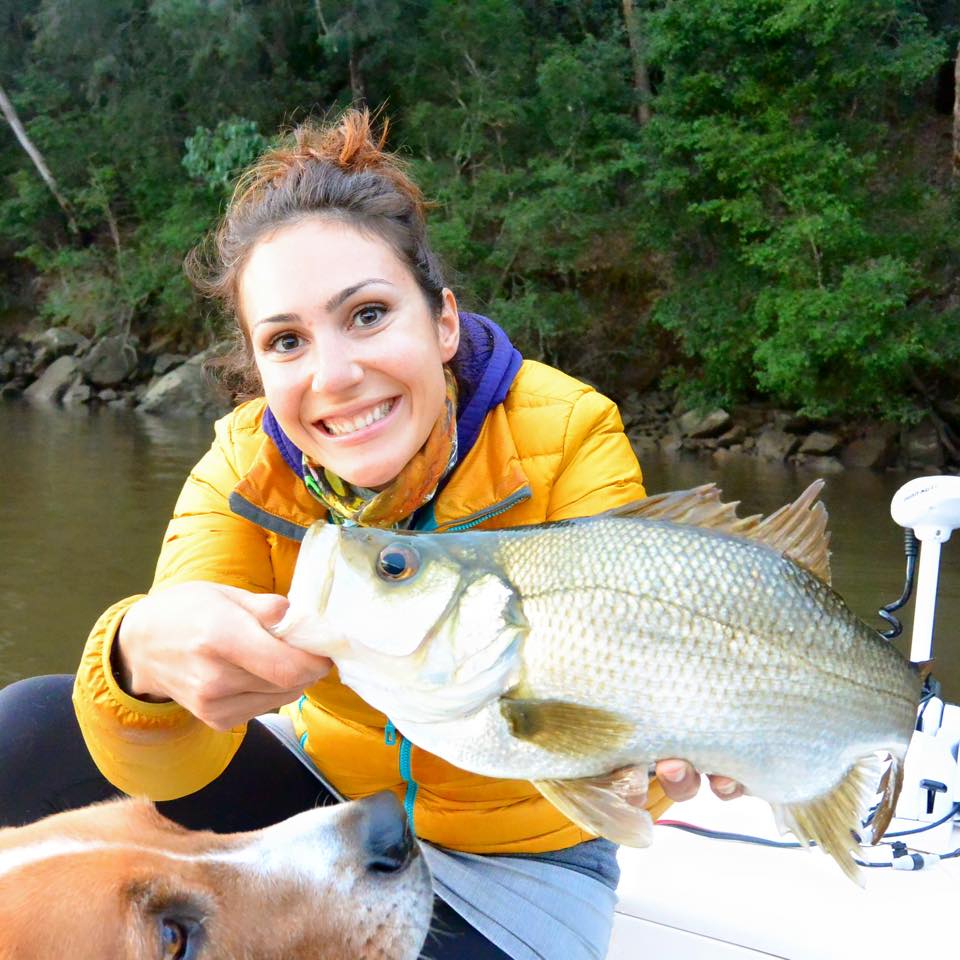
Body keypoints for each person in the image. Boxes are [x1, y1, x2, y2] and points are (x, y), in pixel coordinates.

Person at [0, 109, 741, 959]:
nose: (336, 375)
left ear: (444, 322)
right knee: (29, 728)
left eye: (367, 315)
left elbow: (631, 689)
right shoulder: (239, 467)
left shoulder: (570, 431)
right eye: (286, 341)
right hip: (327, 802)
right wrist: (140, 667)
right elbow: (170, 768)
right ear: (258, 368)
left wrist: (657, 754)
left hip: (522, 867)